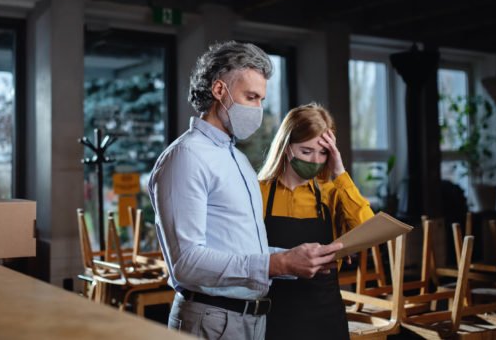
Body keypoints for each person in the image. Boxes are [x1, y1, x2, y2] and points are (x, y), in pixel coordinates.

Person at [148, 41, 344, 340]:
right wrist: (276, 263)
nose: (258, 110)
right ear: (218, 91)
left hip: (251, 319)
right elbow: (186, 263)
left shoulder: (238, 160)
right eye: (250, 97)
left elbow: (245, 252)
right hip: (211, 319)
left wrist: (295, 258)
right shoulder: (187, 156)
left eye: (261, 99)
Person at [258, 103, 375, 340]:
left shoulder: (331, 192)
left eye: (323, 152)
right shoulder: (258, 191)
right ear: (287, 147)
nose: (315, 160)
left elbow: (368, 229)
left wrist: (339, 172)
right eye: (306, 151)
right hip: (275, 314)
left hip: (325, 314)